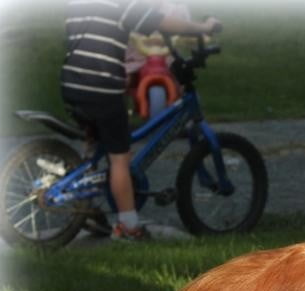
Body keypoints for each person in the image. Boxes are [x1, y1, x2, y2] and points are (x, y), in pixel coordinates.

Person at [61, 1, 221, 241]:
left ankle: (88, 209)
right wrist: (202, 27)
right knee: (119, 159)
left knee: (95, 146)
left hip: (73, 82)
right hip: (102, 85)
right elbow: (161, 21)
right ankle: (129, 226)